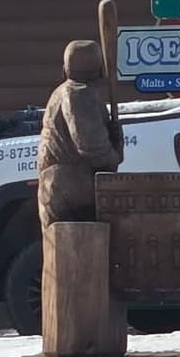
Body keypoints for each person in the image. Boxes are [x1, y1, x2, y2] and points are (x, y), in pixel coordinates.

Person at [37, 39, 124, 228]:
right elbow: (92, 146)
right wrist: (114, 155)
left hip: (56, 185)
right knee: (81, 249)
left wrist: (113, 134)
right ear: (99, 70)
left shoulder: (60, 93)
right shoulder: (79, 93)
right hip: (72, 186)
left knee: (63, 251)